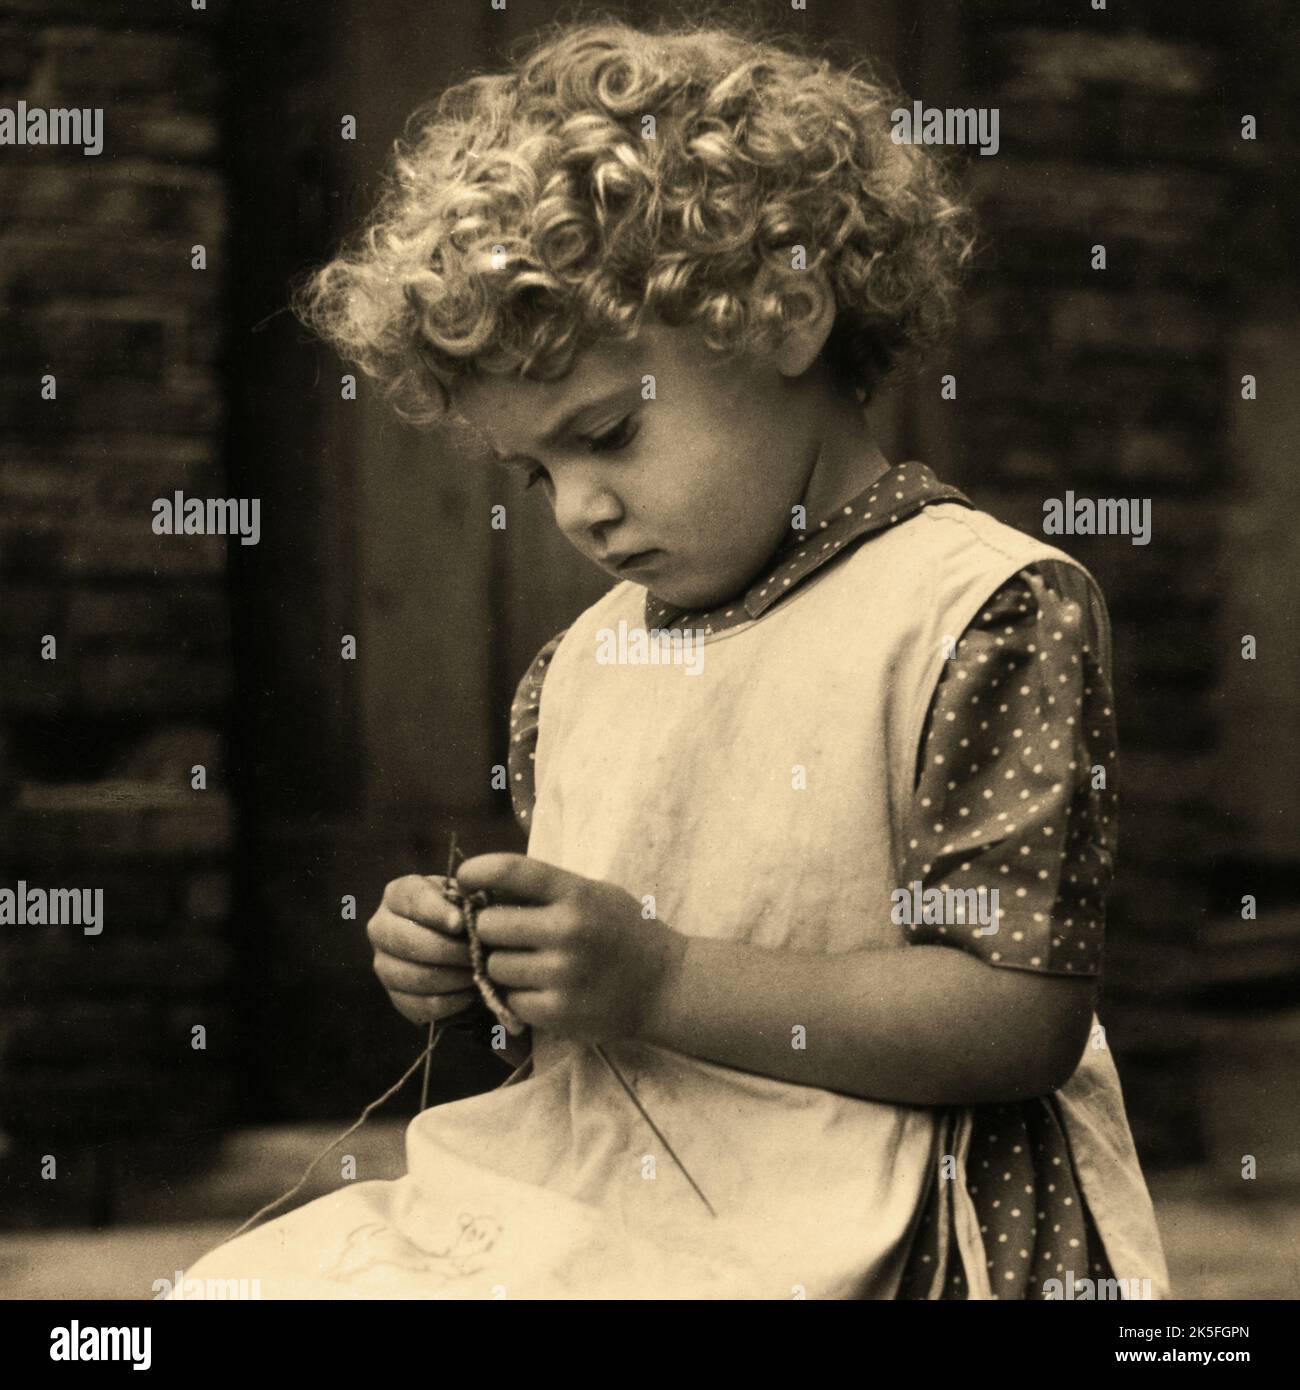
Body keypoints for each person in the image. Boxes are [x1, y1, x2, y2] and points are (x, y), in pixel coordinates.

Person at [178, 15, 1169, 1299]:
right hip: (608, 1204)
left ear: (789, 309)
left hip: (873, 1219)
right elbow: (579, 1040)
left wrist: (661, 975)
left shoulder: (975, 608)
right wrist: (486, 969)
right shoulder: (578, 670)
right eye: (537, 471)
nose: (579, 508)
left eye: (608, 431)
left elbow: (1018, 1019)